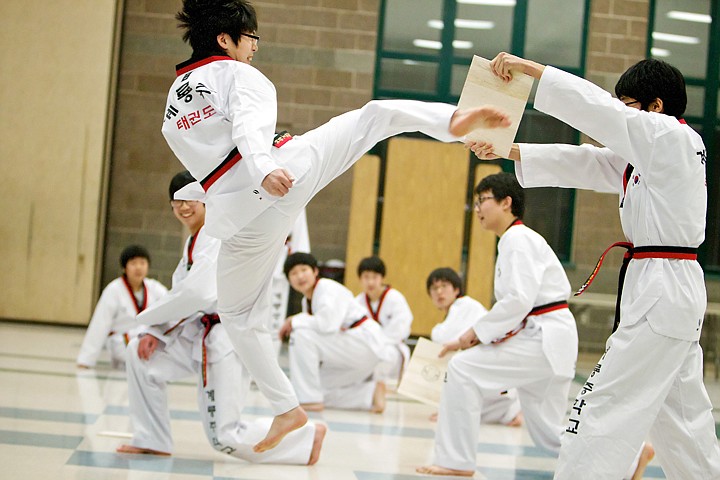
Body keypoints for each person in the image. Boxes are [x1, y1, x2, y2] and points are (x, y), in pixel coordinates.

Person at [161, 0, 511, 453]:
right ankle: (450, 121)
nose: (254, 49)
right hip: (284, 173)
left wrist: (242, 178)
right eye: (251, 39)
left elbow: (205, 156)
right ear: (225, 39)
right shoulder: (238, 75)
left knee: (237, 317)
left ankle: (286, 407)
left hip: (241, 217)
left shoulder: (175, 98)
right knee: (373, 117)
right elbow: (249, 127)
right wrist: (265, 166)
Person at [467, 52, 720, 479]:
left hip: (663, 283)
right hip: (665, 285)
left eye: (630, 104)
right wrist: (506, 149)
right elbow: (585, 161)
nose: (621, 112)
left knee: (603, 405)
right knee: (681, 419)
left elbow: (599, 113)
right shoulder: (650, 154)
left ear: (656, 106)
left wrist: (535, 73)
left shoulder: (670, 139)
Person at [116, 171, 325, 465]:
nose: (184, 207)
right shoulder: (194, 243)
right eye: (177, 202)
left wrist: (151, 324)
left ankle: (305, 440)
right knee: (140, 355)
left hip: (227, 338)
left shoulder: (217, 234)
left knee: (224, 437)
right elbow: (183, 293)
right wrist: (154, 330)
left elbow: (197, 294)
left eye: (191, 199)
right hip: (198, 334)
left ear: (206, 200)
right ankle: (152, 439)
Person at [417, 172, 578, 477]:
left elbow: (518, 299)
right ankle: (628, 457)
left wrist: (474, 333)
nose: (477, 208)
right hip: (548, 338)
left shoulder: (517, 239)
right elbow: (520, 302)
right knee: (547, 432)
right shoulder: (517, 240)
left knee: (463, 369)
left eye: (483, 200)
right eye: (476, 202)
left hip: (541, 338)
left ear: (506, 203)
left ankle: (455, 461)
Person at [279, 252, 387, 413]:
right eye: (293, 273)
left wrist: (293, 321)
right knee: (312, 387)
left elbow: (327, 325)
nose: (300, 276)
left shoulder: (327, 288)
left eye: (303, 270)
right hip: (350, 353)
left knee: (300, 334)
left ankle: (309, 400)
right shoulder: (306, 300)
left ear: (315, 271)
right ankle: (369, 395)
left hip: (364, 344)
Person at [426, 267, 522, 427]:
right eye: (434, 288)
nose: (439, 292)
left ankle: (509, 411)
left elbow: (442, 338)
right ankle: (508, 412)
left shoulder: (466, 306)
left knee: (457, 365)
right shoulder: (457, 311)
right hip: (493, 375)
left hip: (495, 368)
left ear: (456, 289)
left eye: (444, 286)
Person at [77, 245, 167, 369]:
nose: (138, 267)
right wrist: (86, 360)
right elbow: (100, 324)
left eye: (142, 263)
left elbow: (170, 306)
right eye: (133, 263)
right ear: (125, 267)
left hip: (146, 340)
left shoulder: (154, 288)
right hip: (121, 342)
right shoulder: (114, 290)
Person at [355, 256, 413, 390]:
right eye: (366, 277)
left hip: (392, 348)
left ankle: (379, 388)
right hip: (368, 348)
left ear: (382, 278)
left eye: (374, 277)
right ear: (360, 279)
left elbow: (401, 327)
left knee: (387, 354)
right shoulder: (357, 302)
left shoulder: (395, 298)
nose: (370, 282)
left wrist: (378, 341)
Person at [269, 210, 311, 357]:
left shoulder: (297, 189)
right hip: (255, 254)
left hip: (279, 262)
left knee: (274, 317)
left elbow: (299, 230)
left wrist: (299, 260)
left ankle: (270, 358)